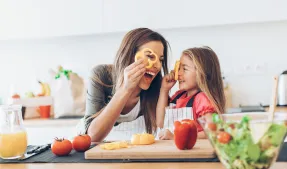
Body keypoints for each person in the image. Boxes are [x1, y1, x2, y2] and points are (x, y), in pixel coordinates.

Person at [77, 28, 170, 142]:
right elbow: (92, 136)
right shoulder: (101, 75)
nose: (157, 65)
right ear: (130, 55)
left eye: (161, 60)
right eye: (150, 57)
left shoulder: (157, 87)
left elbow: (160, 130)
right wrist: (125, 89)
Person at [156, 46, 225, 140]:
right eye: (178, 68)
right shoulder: (179, 96)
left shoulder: (202, 99)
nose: (178, 73)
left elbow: (213, 131)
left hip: (194, 153)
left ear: (202, 73)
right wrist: (164, 90)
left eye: (184, 69)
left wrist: (176, 137)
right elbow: (160, 123)